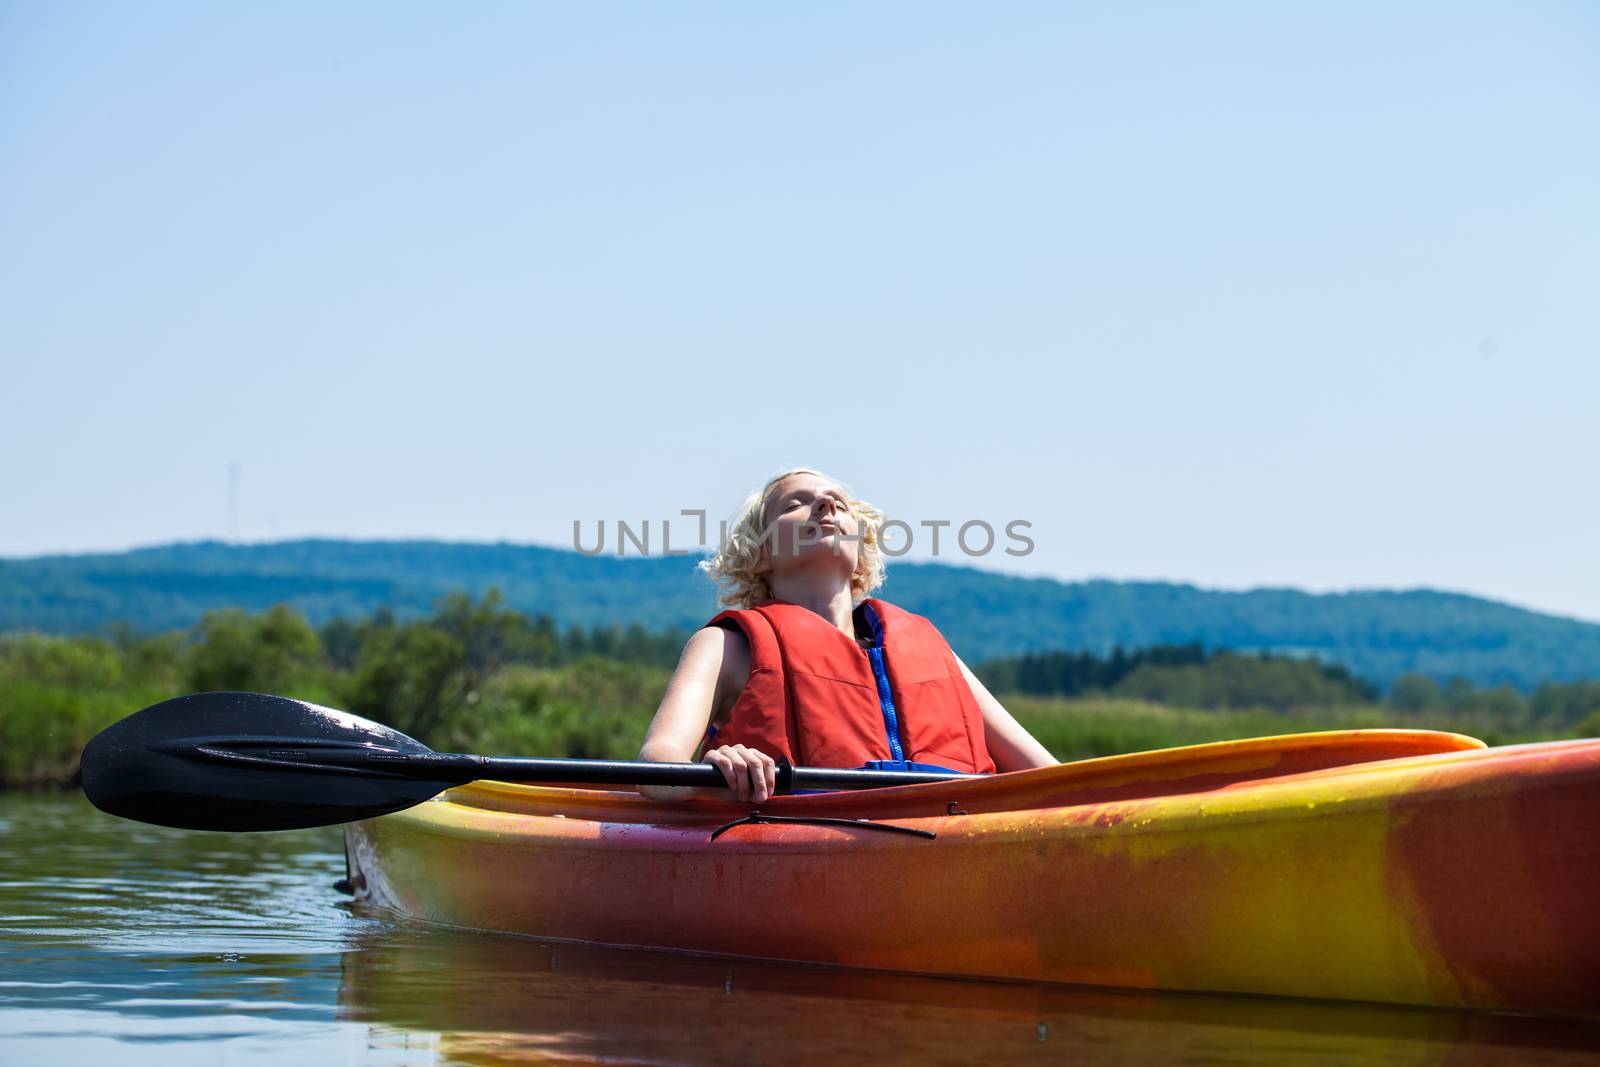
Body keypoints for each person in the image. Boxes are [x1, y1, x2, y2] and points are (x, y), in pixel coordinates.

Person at [637, 467, 1057, 802]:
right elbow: (656, 766)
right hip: (802, 840)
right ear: (759, 554)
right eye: (795, 504)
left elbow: (1049, 776)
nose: (826, 503)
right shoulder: (727, 645)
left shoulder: (933, 650)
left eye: (838, 502)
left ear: (861, 550)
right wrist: (717, 769)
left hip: (952, 838)